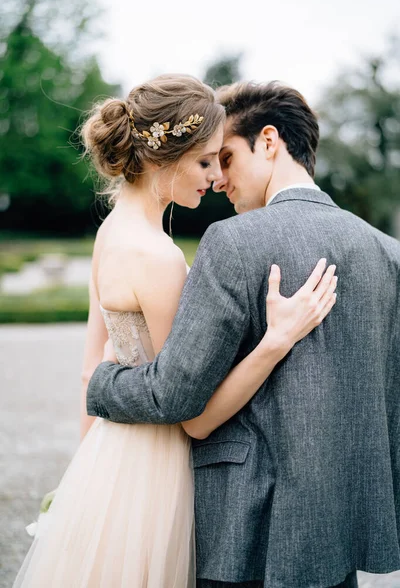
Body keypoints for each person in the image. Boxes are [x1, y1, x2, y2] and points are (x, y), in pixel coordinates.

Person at [13, 75, 336, 588]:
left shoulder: (110, 231)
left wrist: (79, 479)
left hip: (108, 458)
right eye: (206, 160)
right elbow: (192, 409)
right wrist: (276, 340)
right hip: (156, 470)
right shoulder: (158, 256)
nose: (214, 176)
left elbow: (87, 371)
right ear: (168, 156)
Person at [87, 81, 400, 588]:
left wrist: (102, 384)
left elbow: (177, 395)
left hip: (244, 529)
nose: (218, 179)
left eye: (226, 158)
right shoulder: (388, 253)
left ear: (269, 141)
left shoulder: (234, 242)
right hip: (341, 531)